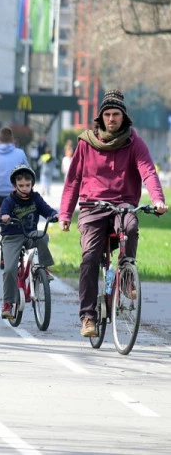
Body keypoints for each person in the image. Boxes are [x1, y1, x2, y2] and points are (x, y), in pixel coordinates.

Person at [59, 90, 167, 338]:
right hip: (92, 207)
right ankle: (88, 317)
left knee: (130, 226)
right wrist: (65, 214)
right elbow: (73, 179)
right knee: (89, 259)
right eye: (107, 114)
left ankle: (127, 277)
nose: (111, 118)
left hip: (123, 204)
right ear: (100, 117)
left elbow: (148, 171)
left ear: (123, 117)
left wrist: (158, 199)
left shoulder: (134, 142)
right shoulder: (86, 143)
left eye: (115, 114)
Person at [0, 165, 57, 319]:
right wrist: (4, 217)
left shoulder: (36, 198)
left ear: (32, 184)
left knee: (42, 236)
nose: (25, 188)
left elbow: (47, 210)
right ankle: (7, 303)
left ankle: (43, 267)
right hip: (12, 237)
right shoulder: (10, 200)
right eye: (21, 185)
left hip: (29, 234)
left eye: (27, 185)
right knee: (9, 269)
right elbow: (2, 214)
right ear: (14, 185)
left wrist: (54, 215)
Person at [0, 126, 28, 243]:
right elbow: (28, 170)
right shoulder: (20, 153)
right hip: (14, 191)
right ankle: (19, 231)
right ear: (12, 139)